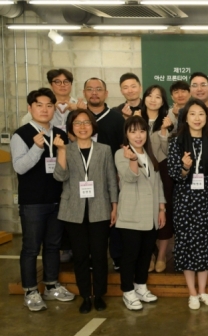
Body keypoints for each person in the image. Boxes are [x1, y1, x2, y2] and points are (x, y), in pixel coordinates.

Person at [12, 88, 74, 312]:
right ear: (30, 108)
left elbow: (64, 167)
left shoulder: (59, 133)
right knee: (30, 247)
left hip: (57, 199)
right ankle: (30, 290)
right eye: (39, 105)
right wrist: (37, 149)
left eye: (49, 105)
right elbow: (19, 167)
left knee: (53, 246)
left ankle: (51, 285)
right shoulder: (21, 134)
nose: (45, 109)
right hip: (33, 203)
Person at [53, 109, 119, 314]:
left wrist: (114, 205)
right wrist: (61, 151)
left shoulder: (104, 149)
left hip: (99, 208)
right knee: (80, 256)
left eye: (86, 122)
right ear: (71, 127)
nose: (82, 127)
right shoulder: (67, 149)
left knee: (99, 255)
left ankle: (98, 295)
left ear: (93, 126)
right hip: (73, 210)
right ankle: (85, 296)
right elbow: (59, 177)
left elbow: (111, 179)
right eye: (77, 123)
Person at [168, 98, 208, 310]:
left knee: (205, 243)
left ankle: (203, 291)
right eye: (192, 114)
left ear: (206, 117)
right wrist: (185, 167)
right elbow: (174, 174)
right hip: (185, 200)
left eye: (201, 114)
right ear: (185, 117)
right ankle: (191, 293)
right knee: (186, 244)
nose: (197, 118)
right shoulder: (176, 141)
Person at [115, 116, 165, 311]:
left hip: (151, 215)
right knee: (130, 256)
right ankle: (128, 291)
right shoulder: (121, 154)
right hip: (131, 215)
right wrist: (133, 159)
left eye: (142, 131)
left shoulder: (150, 155)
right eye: (133, 131)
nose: (138, 135)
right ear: (127, 134)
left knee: (145, 254)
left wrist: (162, 209)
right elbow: (129, 177)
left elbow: (158, 184)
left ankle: (141, 287)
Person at [81, 77, 125, 272]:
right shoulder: (78, 117)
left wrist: (118, 174)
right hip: (83, 180)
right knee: (89, 219)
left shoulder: (116, 118)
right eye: (90, 89)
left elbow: (123, 147)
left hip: (111, 178)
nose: (94, 93)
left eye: (99, 89)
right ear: (84, 93)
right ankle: (90, 256)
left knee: (113, 217)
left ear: (106, 93)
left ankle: (116, 256)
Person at [141, 85, 175, 273]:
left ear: (163, 101)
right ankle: (149, 253)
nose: (153, 100)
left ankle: (161, 255)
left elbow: (168, 153)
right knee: (145, 212)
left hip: (163, 172)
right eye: (150, 96)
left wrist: (163, 132)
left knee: (164, 212)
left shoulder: (169, 121)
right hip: (140, 171)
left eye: (158, 97)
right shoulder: (136, 118)